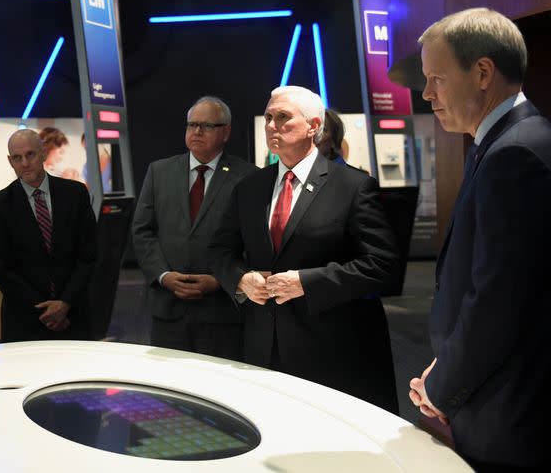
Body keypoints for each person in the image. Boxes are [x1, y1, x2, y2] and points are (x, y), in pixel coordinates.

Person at [408, 8, 551, 472]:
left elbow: (499, 301)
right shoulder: (502, 144)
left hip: (510, 411)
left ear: (483, 72)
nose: (427, 93)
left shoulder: (516, 154)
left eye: (436, 78)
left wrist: (441, 385)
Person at [209, 86, 400, 413]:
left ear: (314, 126)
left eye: (282, 117)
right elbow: (218, 251)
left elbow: (382, 265)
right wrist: (242, 280)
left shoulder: (352, 186)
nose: (271, 125)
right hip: (263, 348)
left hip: (331, 350)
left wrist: (306, 283)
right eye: (268, 117)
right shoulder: (250, 188)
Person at [133, 96, 256, 361]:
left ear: (226, 132)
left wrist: (223, 280)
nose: (197, 132)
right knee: (168, 393)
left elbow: (256, 243)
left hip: (221, 313)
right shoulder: (159, 171)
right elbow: (142, 231)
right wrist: (163, 275)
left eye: (207, 126)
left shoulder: (249, 177)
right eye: (192, 125)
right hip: (168, 311)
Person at [0, 129, 97, 342]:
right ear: (10, 162)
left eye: (30, 154)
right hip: (24, 321)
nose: (25, 163)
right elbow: (2, 269)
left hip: (74, 314)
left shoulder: (75, 194)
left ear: (43, 153)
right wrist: (46, 313)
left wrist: (65, 303)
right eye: (17, 158)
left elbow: (88, 255)